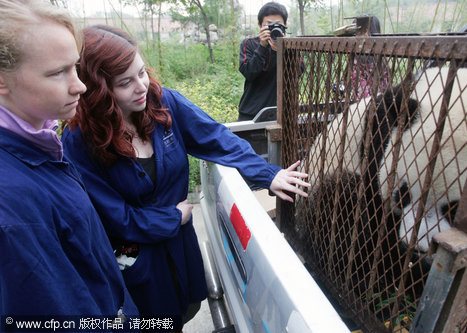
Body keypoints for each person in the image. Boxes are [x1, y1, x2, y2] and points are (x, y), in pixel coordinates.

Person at [62, 25, 309, 330]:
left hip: (180, 247)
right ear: (98, 90)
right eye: (125, 82)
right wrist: (171, 218)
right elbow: (113, 217)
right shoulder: (80, 140)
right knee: (152, 321)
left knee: (187, 308)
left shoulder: (162, 102)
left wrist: (268, 174)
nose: (141, 86)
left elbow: (215, 137)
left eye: (141, 72)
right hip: (139, 257)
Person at [0, 0, 138, 320]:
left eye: (74, 66)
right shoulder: (11, 202)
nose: (80, 85)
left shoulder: (41, 142)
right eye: (58, 72)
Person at [238, 2, 288, 121]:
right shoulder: (249, 43)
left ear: (285, 25)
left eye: (278, 25)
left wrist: (284, 52)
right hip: (251, 113)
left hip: (282, 114)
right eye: (269, 25)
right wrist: (262, 47)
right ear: (260, 25)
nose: (274, 28)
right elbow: (249, 73)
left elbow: (298, 72)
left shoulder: (291, 46)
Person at [351, 14, 391, 100]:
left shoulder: (356, 61)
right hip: (383, 102)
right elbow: (387, 85)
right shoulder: (382, 59)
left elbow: (361, 91)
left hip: (364, 104)